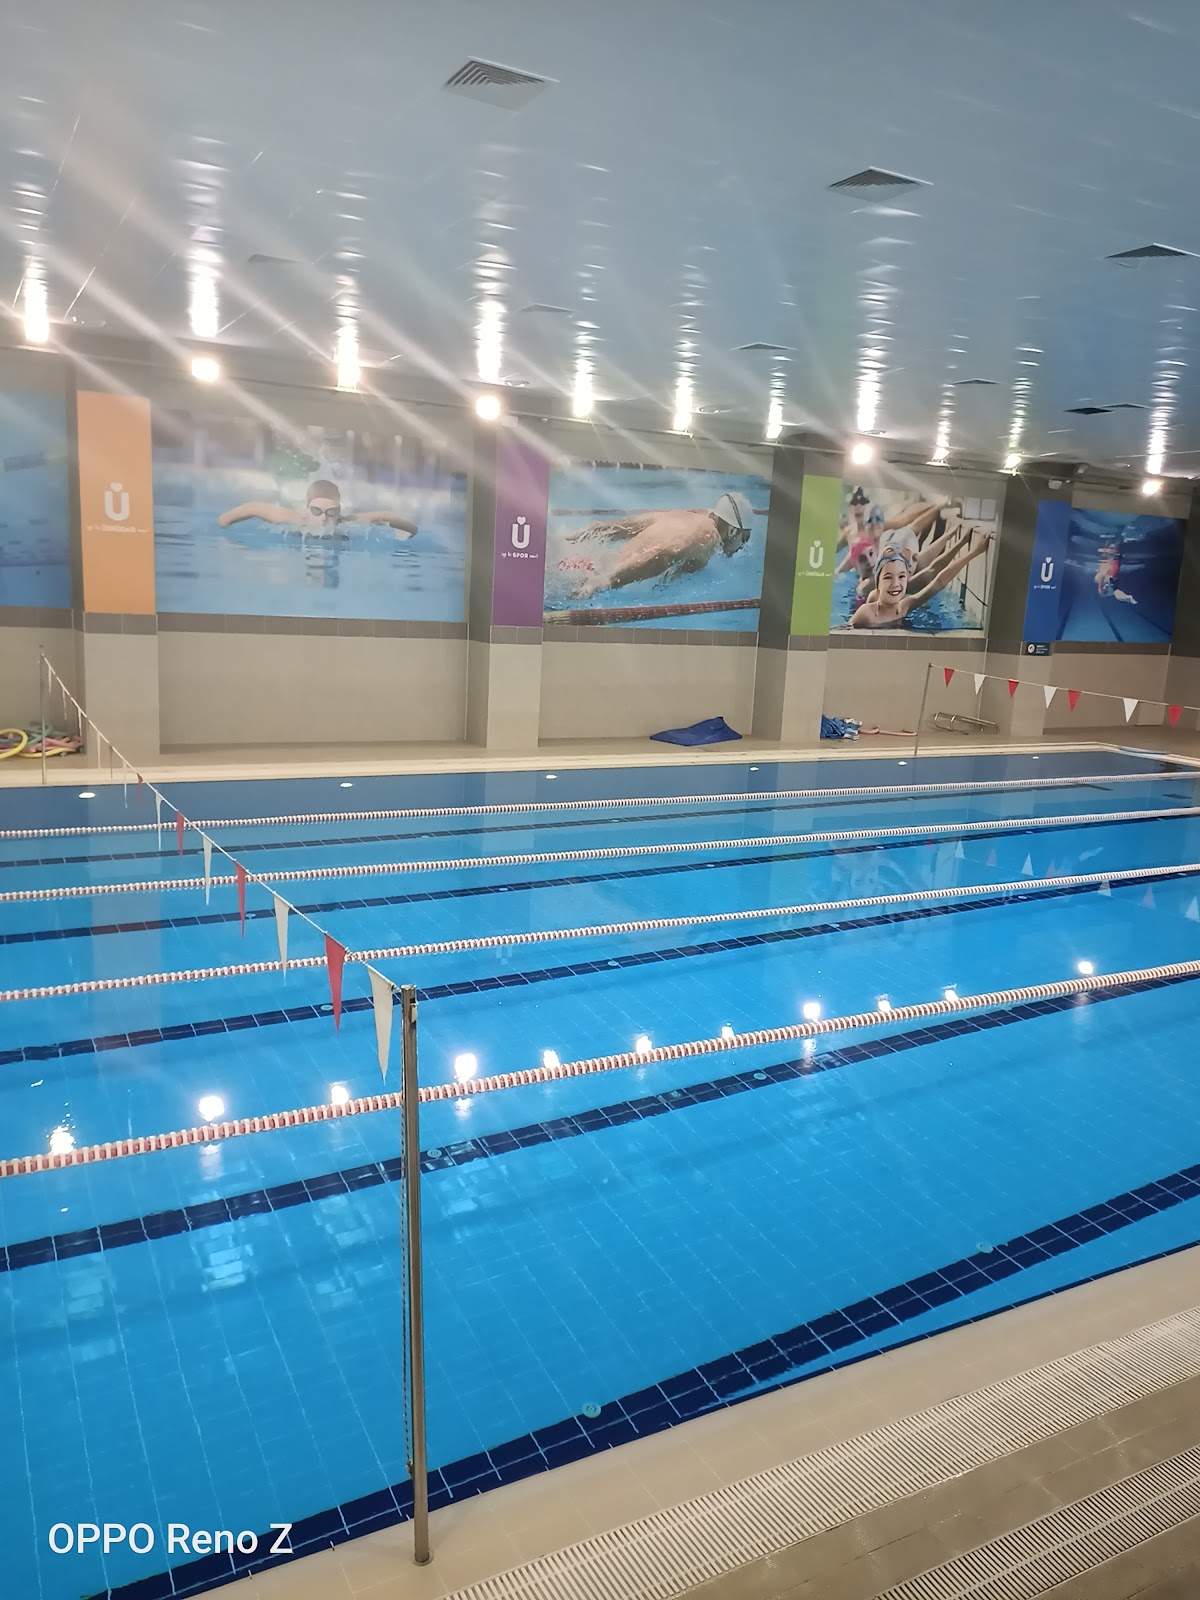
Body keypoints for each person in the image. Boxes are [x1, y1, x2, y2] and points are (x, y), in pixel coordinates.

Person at [553, 491, 754, 599]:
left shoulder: (681, 516)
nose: (741, 546)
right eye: (744, 538)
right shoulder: (708, 536)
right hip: (592, 580)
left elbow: (623, 527)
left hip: (584, 565)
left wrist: (572, 536)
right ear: (733, 530)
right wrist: (605, 581)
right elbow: (663, 555)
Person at [851, 530, 992, 629]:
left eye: (901, 577)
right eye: (888, 577)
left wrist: (975, 551)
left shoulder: (904, 607)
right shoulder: (866, 614)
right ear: (878, 583)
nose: (895, 584)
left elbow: (938, 582)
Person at [218, 479, 417, 536]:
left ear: (339, 511)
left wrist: (413, 532)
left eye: (331, 512)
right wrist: (223, 528)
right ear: (306, 508)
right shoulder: (292, 519)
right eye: (316, 511)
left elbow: (387, 515)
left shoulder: (347, 523)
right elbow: (252, 507)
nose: (323, 519)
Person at [1095, 537, 1137, 604]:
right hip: (1110, 577)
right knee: (1114, 561)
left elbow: (1101, 585)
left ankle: (1127, 597)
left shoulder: (1105, 586)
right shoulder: (1103, 581)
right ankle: (1116, 544)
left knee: (1115, 590)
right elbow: (1101, 585)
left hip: (1111, 578)